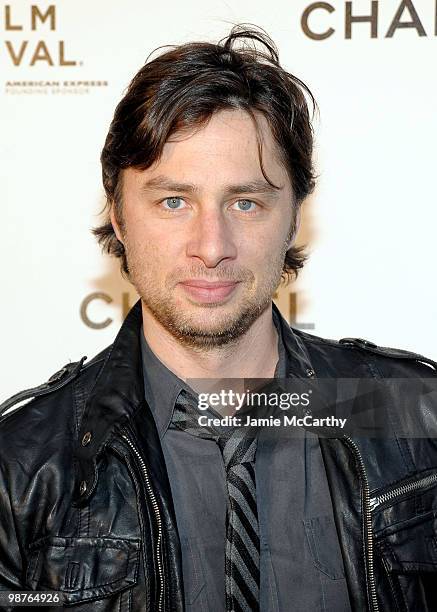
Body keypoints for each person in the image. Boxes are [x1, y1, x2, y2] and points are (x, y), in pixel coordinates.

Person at [1, 24, 436, 612]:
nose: (212, 245)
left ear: (294, 219)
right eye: (173, 201)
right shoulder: (24, 468)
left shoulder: (414, 416)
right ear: (119, 215)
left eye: (246, 202)